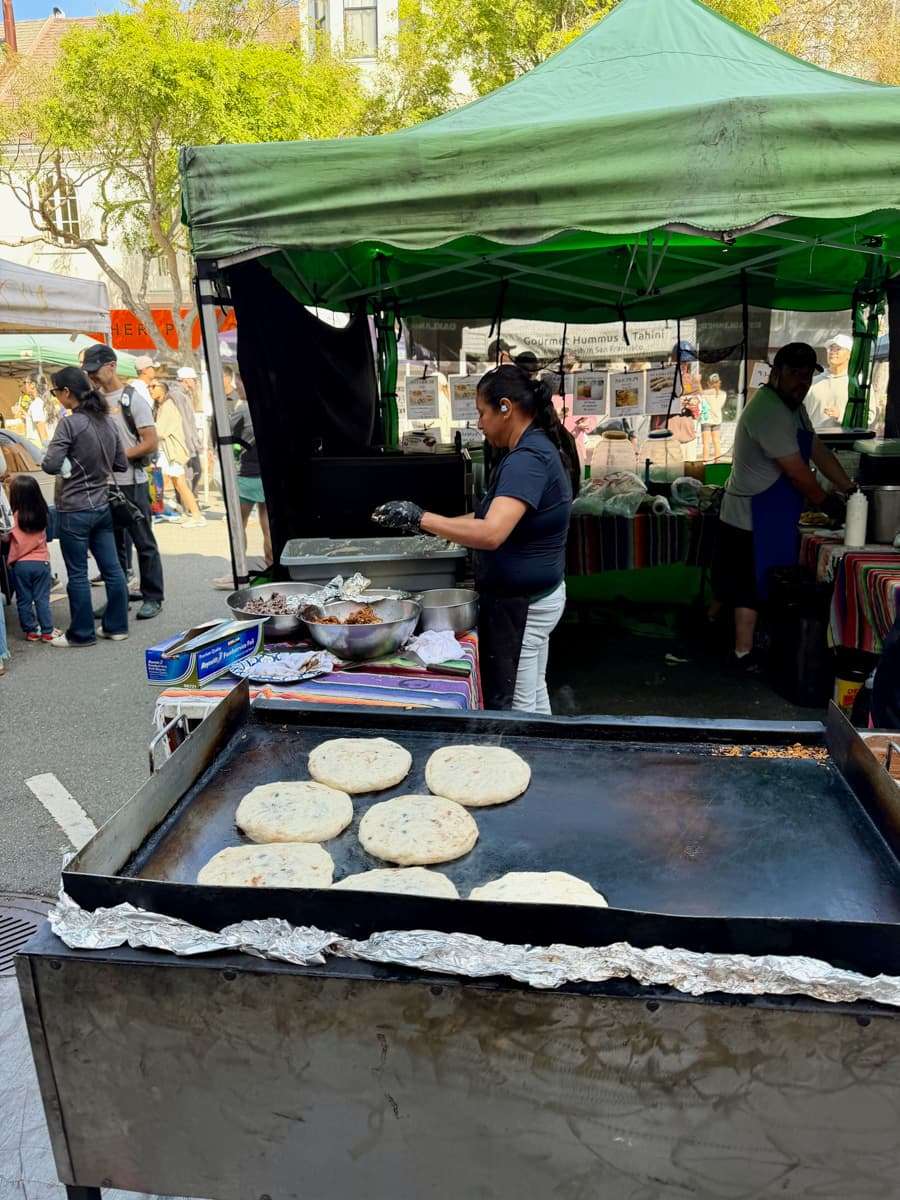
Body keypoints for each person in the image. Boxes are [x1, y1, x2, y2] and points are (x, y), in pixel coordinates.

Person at [373, 364, 578, 714]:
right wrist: (438, 528)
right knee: (533, 692)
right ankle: (547, 753)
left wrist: (420, 517)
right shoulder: (536, 446)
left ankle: (531, 762)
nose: (480, 424)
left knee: (519, 706)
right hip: (535, 596)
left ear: (505, 408)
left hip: (523, 605)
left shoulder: (527, 460)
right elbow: (487, 518)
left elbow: (492, 532)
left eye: (482, 413)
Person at [713, 343, 853, 671]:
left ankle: (756, 646)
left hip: (775, 512)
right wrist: (829, 503)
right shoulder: (767, 410)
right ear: (776, 374)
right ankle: (742, 654)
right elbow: (797, 472)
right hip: (750, 514)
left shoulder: (794, 407)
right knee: (750, 585)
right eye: (794, 374)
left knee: (766, 582)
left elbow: (816, 449)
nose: (801, 382)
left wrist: (850, 488)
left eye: (807, 376)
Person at [41, 367, 129, 647]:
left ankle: (81, 634)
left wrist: (68, 462)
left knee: (77, 573)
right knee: (113, 570)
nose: (56, 397)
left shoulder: (69, 423)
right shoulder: (107, 421)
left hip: (74, 509)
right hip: (102, 505)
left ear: (67, 392)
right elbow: (120, 464)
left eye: (56, 392)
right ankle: (116, 627)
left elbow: (50, 464)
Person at [81, 343, 164, 620]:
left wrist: (119, 457)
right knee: (112, 545)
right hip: (103, 484)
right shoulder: (94, 401)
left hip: (132, 481)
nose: (92, 376)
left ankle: (153, 596)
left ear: (111, 366)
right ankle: (118, 598)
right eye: (89, 372)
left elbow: (151, 441)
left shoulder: (132, 400)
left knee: (143, 542)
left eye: (96, 371)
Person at [212, 397, 271, 588]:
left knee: (238, 524)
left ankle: (239, 572)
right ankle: (271, 569)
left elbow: (225, 433)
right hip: (268, 473)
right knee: (268, 526)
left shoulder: (244, 408)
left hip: (248, 474)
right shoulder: (273, 403)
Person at [3, 474, 59, 642]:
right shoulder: (43, 514)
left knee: (24, 599)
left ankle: (31, 631)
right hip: (41, 562)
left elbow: (6, 538)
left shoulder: (14, 517)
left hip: (20, 565)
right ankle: (48, 631)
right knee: (42, 599)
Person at [149, 379, 206, 526]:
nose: (150, 389)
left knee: (177, 483)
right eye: (149, 386)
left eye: (154, 386)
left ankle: (196, 516)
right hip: (168, 451)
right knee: (174, 482)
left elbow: (161, 431)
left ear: (163, 389)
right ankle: (189, 513)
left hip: (172, 451)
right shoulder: (161, 405)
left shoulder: (168, 405)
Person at [804, 334, 853, 429]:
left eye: (838, 348)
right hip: (812, 440)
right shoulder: (812, 382)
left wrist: (841, 416)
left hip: (845, 441)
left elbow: (868, 416)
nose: (832, 352)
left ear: (849, 354)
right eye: (830, 348)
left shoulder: (857, 384)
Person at [700, 372, 727, 461]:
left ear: (709, 383)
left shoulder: (707, 393)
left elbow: (699, 392)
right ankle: (717, 461)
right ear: (720, 382)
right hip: (717, 419)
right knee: (716, 442)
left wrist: (698, 382)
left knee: (706, 443)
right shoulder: (723, 394)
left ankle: (705, 462)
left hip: (706, 419)